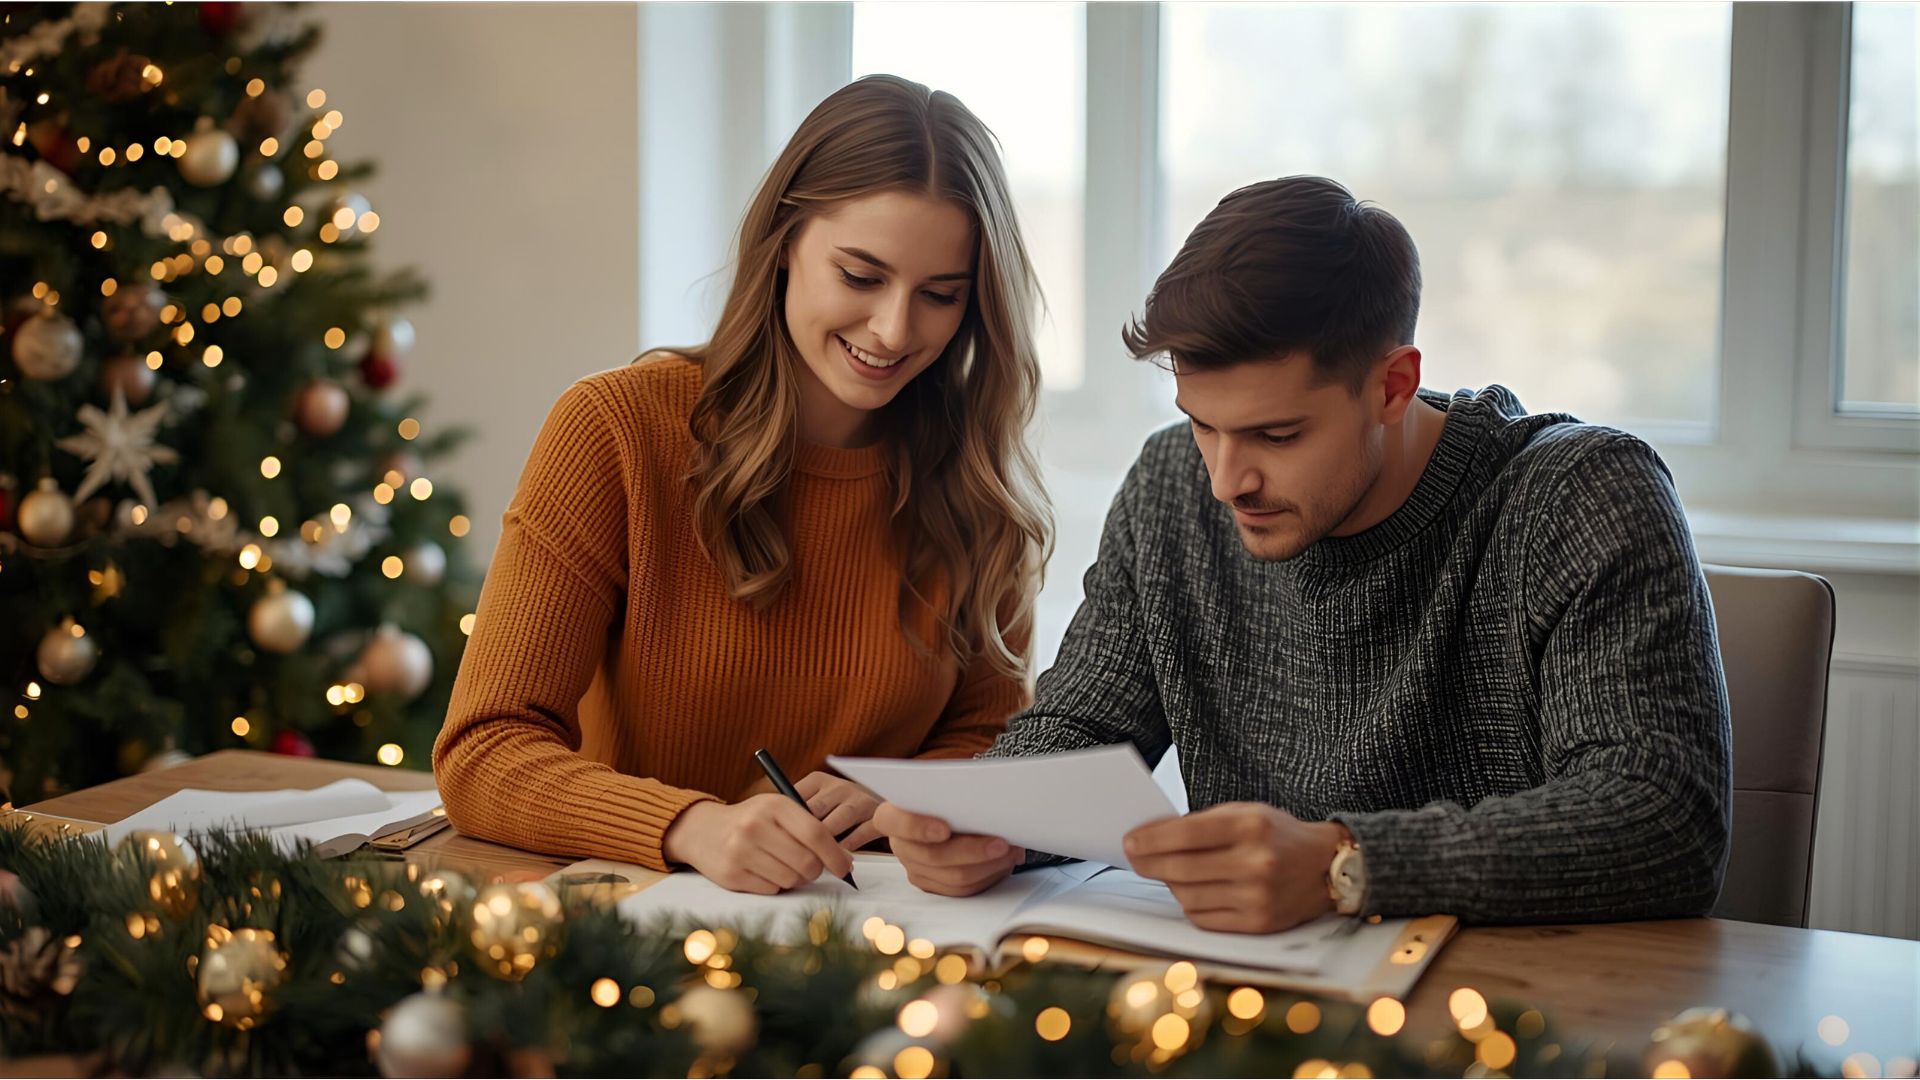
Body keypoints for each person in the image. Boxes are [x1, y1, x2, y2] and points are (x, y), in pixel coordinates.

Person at [875, 175, 1732, 932]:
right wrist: (991, 820)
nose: (1225, 479)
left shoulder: (1579, 495)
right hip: (1251, 1010)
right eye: (1201, 422)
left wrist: (1344, 865)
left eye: (1276, 434)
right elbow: (1084, 725)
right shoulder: (1171, 484)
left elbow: (1661, 820)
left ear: (1392, 385)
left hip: (1522, 1013)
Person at [435, 75, 1052, 895]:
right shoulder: (615, 430)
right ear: (786, 241)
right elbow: (485, 750)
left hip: (873, 938)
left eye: (940, 296)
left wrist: (895, 797)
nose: (896, 330)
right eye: (861, 277)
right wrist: (693, 827)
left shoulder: (976, 482)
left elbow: (989, 739)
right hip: (626, 939)